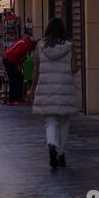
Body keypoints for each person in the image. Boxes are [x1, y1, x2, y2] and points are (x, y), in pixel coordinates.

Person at [30, 18, 78, 168]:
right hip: (65, 90)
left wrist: (32, 89)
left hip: (46, 90)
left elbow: (36, 69)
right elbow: (74, 68)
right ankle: (61, 154)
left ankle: (51, 143)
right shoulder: (70, 46)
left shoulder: (40, 46)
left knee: (50, 122)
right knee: (64, 123)